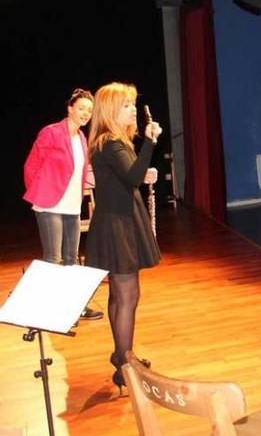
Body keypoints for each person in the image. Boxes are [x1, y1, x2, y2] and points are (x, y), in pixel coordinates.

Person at [85, 82, 162, 391]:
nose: (133, 109)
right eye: (127, 105)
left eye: (133, 104)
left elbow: (129, 176)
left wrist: (145, 171)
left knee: (120, 294)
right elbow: (132, 176)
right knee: (127, 295)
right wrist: (150, 142)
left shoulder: (110, 142)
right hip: (118, 225)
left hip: (116, 220)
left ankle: (122, 355)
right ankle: (125, 365)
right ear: (111, 110)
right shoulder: (112, 143)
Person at [24, 87, 102, 320]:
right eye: (81, 108)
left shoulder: (81, 137)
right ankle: (51, 310)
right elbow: (31, 165)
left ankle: (75, 306)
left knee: (72, 258)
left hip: (72, 206)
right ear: (70, 109)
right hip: (50, 205)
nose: (85, 113)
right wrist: (39, 192)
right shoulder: (51, 132)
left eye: (89, 110)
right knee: (53, 259)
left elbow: (82, 170)